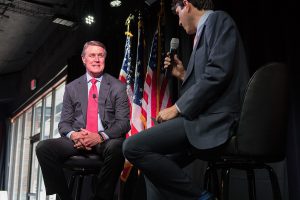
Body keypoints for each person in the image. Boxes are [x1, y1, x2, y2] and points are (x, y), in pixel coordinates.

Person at [123, 0, 249, 199]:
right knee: (154, 165)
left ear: (186, 4)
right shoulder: (202, 33)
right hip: (201, 119)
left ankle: (203, 197)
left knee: (132, 146)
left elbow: (218, 74)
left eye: (178, 13)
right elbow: (206, 82)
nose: (179, 23)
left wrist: (177, 108)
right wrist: (182, 74)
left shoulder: (218, 20)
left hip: (216, 120)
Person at [36, 41, 130, 200]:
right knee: (43, 147)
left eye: (100, 55)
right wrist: (74, 135)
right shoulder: (71, 88)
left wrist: (99, 136)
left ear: (105, 59)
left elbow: (123, 123)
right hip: (78, 139)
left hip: (104, 141)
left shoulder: (118, 87)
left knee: (117, 146)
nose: (97, 59)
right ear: (83, 59)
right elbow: (64, 123)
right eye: (92, 55)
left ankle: (101, 197)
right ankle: (64, 196)